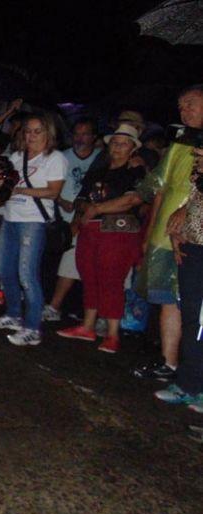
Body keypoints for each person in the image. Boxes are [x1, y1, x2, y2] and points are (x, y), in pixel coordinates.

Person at [132, 85, 203, 381]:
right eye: (180, 106)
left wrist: (184, 212)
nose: (184, 110)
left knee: (191, 307)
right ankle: (170, 362)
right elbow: (159, 188)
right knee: (167, 299)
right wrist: (152, 231)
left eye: (191, 104)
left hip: (193, 233)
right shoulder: (180, 142)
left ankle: (190, 373)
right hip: (169, 232)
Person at [56, 124, 146, 353]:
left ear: (132, 149)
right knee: (89, 275)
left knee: (111, 279)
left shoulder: (135, 171)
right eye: (115, 143)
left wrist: (96, 209)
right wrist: (86, 211)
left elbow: (132, 200)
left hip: (118, 233)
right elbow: (79, 199)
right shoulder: (99, 170)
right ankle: (88, 325)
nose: (117, 147)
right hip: (91, 230)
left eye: (123, 144)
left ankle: (113, 333)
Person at [0, 113, 67, 346]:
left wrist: (20, 191)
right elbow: (4, 181)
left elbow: (53, 191)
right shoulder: (17, 156)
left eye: (37, 131)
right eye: (28, 131)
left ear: (48, 134)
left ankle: (33, 327)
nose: (31, 136)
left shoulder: (54, 158)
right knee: (4, 270)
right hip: (11, 216)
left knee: (27, 275)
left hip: (34, 220)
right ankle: (13, 314)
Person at [155, 146, 203, 410]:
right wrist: (176, 233)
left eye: (201, 156)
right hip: (193, 251)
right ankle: (189, 385)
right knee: (191, 318)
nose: (197, 161)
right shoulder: (198, 181)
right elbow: (191, 211)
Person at [43, 118, 100, 322]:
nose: (80, 138)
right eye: (77, 133)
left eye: (85, 134)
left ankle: (78, 309)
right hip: (61, 219)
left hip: (87, 219)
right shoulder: (62, 157)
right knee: (57, 265)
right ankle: (53, 306)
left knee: (85, 266)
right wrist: (60, 200)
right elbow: (47, 182)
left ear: (94, 137)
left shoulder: (102, 158)